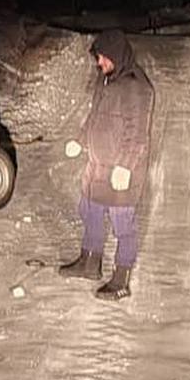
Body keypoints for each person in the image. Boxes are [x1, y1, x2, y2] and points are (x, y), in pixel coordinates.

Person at [59, 29, 155, 300]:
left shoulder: (137, 87)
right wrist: (80, 141)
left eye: (102, 58)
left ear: (116, 55)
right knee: (89, 209)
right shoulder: (107, 82)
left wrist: (125, 167)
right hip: (98, 166)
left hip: (120, 171)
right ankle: (90, 262)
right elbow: (93, 118)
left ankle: (121, 278)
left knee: (123, 224)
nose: (99, 63)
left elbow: (138, 135)